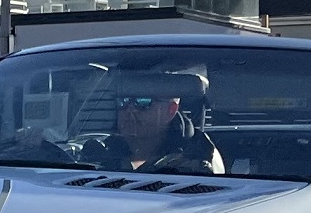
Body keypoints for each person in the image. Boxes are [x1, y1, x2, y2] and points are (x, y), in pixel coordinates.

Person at [78, 73, 224, 174]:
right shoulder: (98, 154)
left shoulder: (200, 159)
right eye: (123, 101)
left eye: (143, 102)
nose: (130, 110)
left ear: (170, 110)